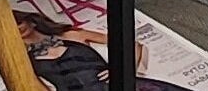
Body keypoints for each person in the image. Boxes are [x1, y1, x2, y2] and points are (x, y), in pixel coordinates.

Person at [11, 11, 191, 91]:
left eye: (18, 23)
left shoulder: (72, 35)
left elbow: (128, 44)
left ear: (31, 21)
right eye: (12, 28)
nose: (17, 30)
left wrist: (120, 68)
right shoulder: (22, 59)